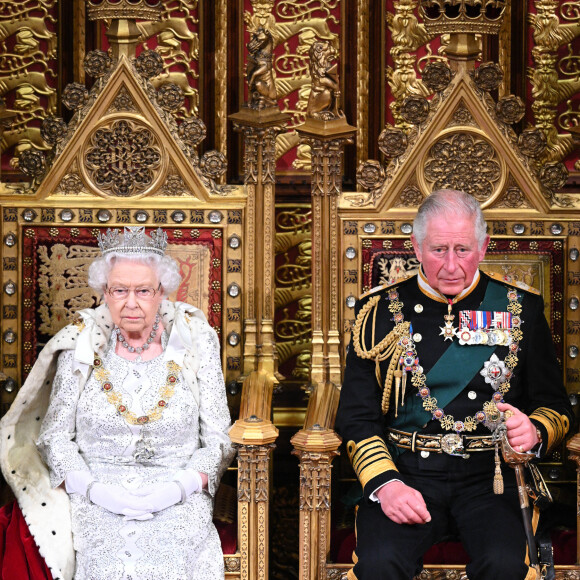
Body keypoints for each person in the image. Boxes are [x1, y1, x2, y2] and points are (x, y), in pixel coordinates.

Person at [335, 190, 574, 580]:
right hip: (407, 472)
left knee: (504, 566)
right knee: (378, 566)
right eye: (438, 249)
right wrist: (385, 483)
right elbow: (356, 416)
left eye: (462, 249)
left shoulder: (521, 308)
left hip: (491, 478)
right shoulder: (378, 311)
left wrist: (534, 430)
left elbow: (556, 407)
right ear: (416, 246)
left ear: (482, 247)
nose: (450, 265)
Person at [0, 226, 235, 580]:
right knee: (108, 566)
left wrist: (176, 489)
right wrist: (95, 491)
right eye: (119, 290)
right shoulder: (81, 345)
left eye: (143, 290)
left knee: (168, 566)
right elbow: (54, 436)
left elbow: (219, 438)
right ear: (104, 292)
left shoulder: (195, 341)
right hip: (96, 495)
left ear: (162, 291)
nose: (130, 302)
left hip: (178, 496)